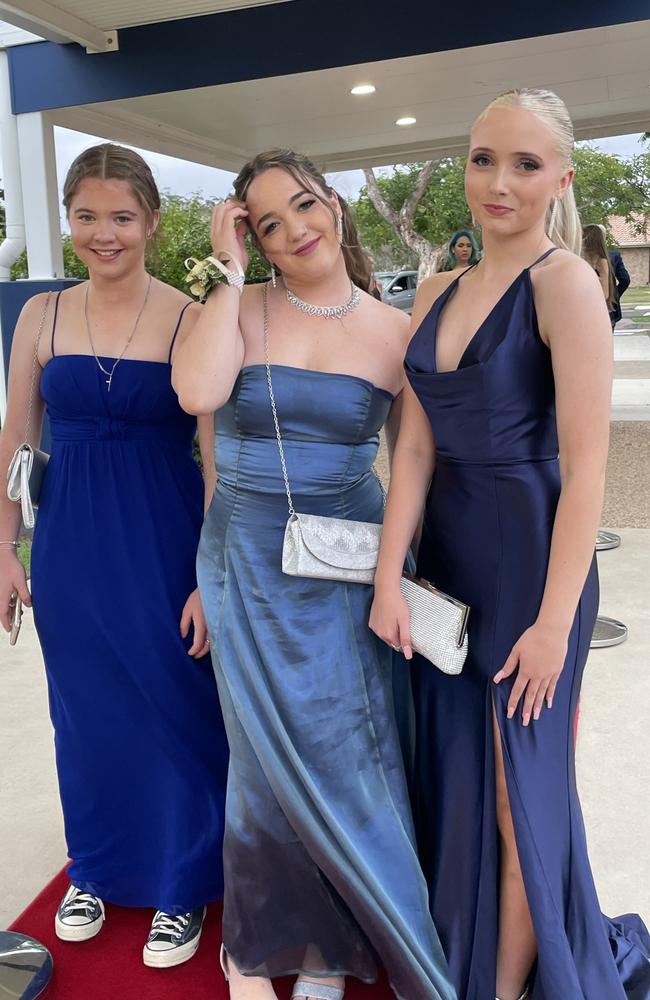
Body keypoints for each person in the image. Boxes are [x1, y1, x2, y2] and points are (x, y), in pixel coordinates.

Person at [370, 88, 650, 1000]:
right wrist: (387, 574)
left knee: (515, 792)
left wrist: (555, 624)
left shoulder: (565, 282)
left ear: (561, 178)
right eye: (485, 158)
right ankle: (472, 952)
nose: (499, 182)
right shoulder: (442, 286)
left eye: (526, 164)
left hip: (534, 565)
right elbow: (412, 443)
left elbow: (587, 470)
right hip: (447, 563)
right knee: (454, 775)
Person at [172, 149, 455, 1000]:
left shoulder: (394, 328)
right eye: (268, 223)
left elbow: (411, 457)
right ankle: (259, 946)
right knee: (259, 764)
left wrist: (390, 580)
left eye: (304, 206)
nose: (296, 230)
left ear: (333, 203)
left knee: (345, 755)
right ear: (251, 239)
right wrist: (225, 278)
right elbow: (199, 400)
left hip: (350, 561)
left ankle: (330, 951)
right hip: (244, 561)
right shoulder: (236, 307)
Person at [0, 143, 229, 968]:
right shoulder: (41, 317)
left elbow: (215, 460)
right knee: (85, 711)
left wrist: (210, 573)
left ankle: (182, 883)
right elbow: (16, 436)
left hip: (164, 538)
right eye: (87, 217)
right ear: (69, 221)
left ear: (152, 221)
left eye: (121, 217)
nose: (104, 234)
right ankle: (94, 866)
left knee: (177, 704)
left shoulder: (188, 316)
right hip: (69, 543)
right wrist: (5, 549)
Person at [582, 223, 618, 329]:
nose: (580, 240)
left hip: (597, 312)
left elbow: (605, 293)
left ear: (591, 240)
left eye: (583, 237)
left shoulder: (601, 262)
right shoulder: (582, 259)